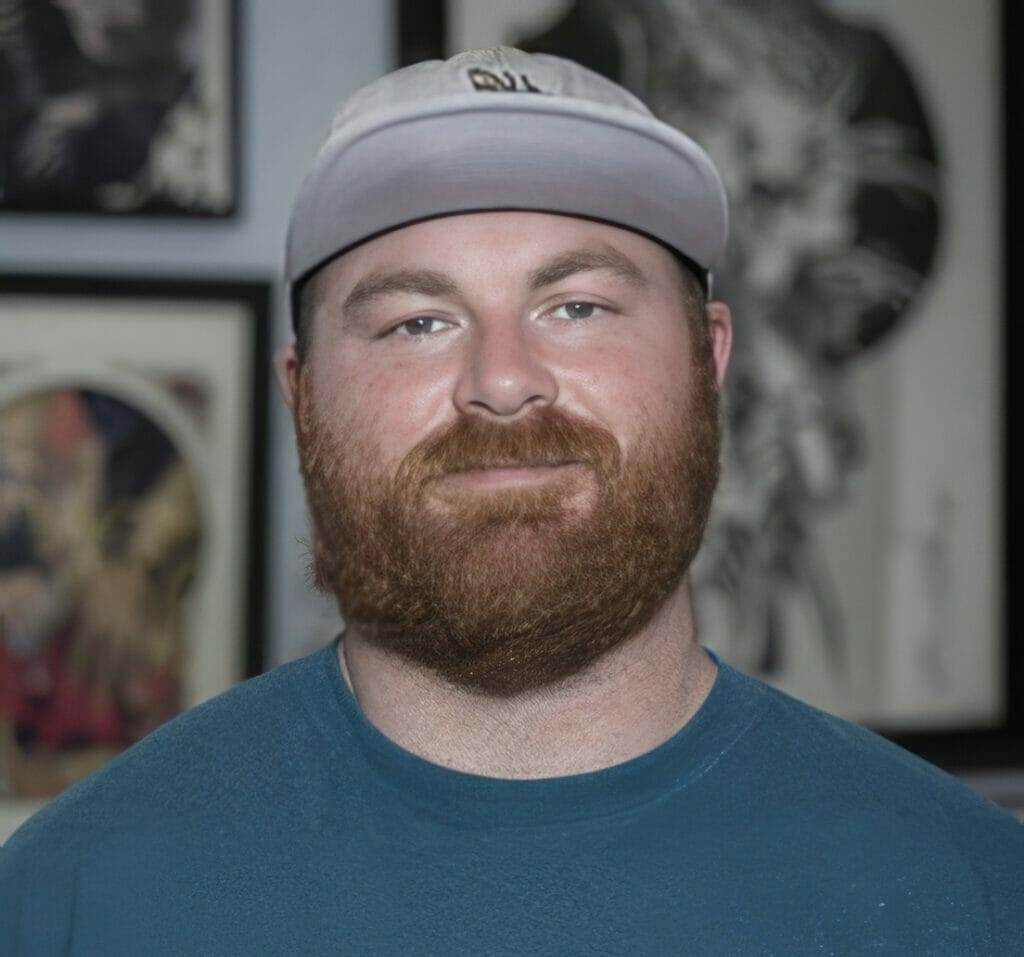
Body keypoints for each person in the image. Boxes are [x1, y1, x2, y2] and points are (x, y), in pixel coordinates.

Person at [1, 45, 1021, 955]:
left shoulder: (973, 899)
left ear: (709, 359)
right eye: (415, 322)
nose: (500, 379)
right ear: (302, 395)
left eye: (575, 307)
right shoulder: (69, 902)